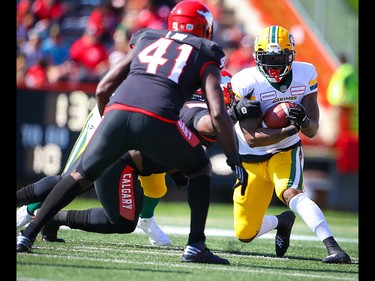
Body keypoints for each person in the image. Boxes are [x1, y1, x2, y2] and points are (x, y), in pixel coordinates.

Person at [16, 0, 248, 265]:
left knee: (79, 176)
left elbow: (103, 88)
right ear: (205, 29)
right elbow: (216, 115)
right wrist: (233, 158)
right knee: (200, 168)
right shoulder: (206, 52)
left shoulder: (148, 37)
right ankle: (196, 246)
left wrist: (109, 123)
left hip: (115, 110)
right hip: (155, 119)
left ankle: (27, 236)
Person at [229, 25, 351, 264]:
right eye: (269, 59)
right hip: (250, 157)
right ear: (257, 57)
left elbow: (313, 129)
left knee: (291, 192)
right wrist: (289, 128)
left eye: (280, 58)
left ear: (291, 55)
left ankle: (334, 248)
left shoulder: (305, 74)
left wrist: (303, 121)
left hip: (285, 151)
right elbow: (253, 137)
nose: (274, 65)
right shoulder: (246, 80)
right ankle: (282, 221)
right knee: (244, 233)